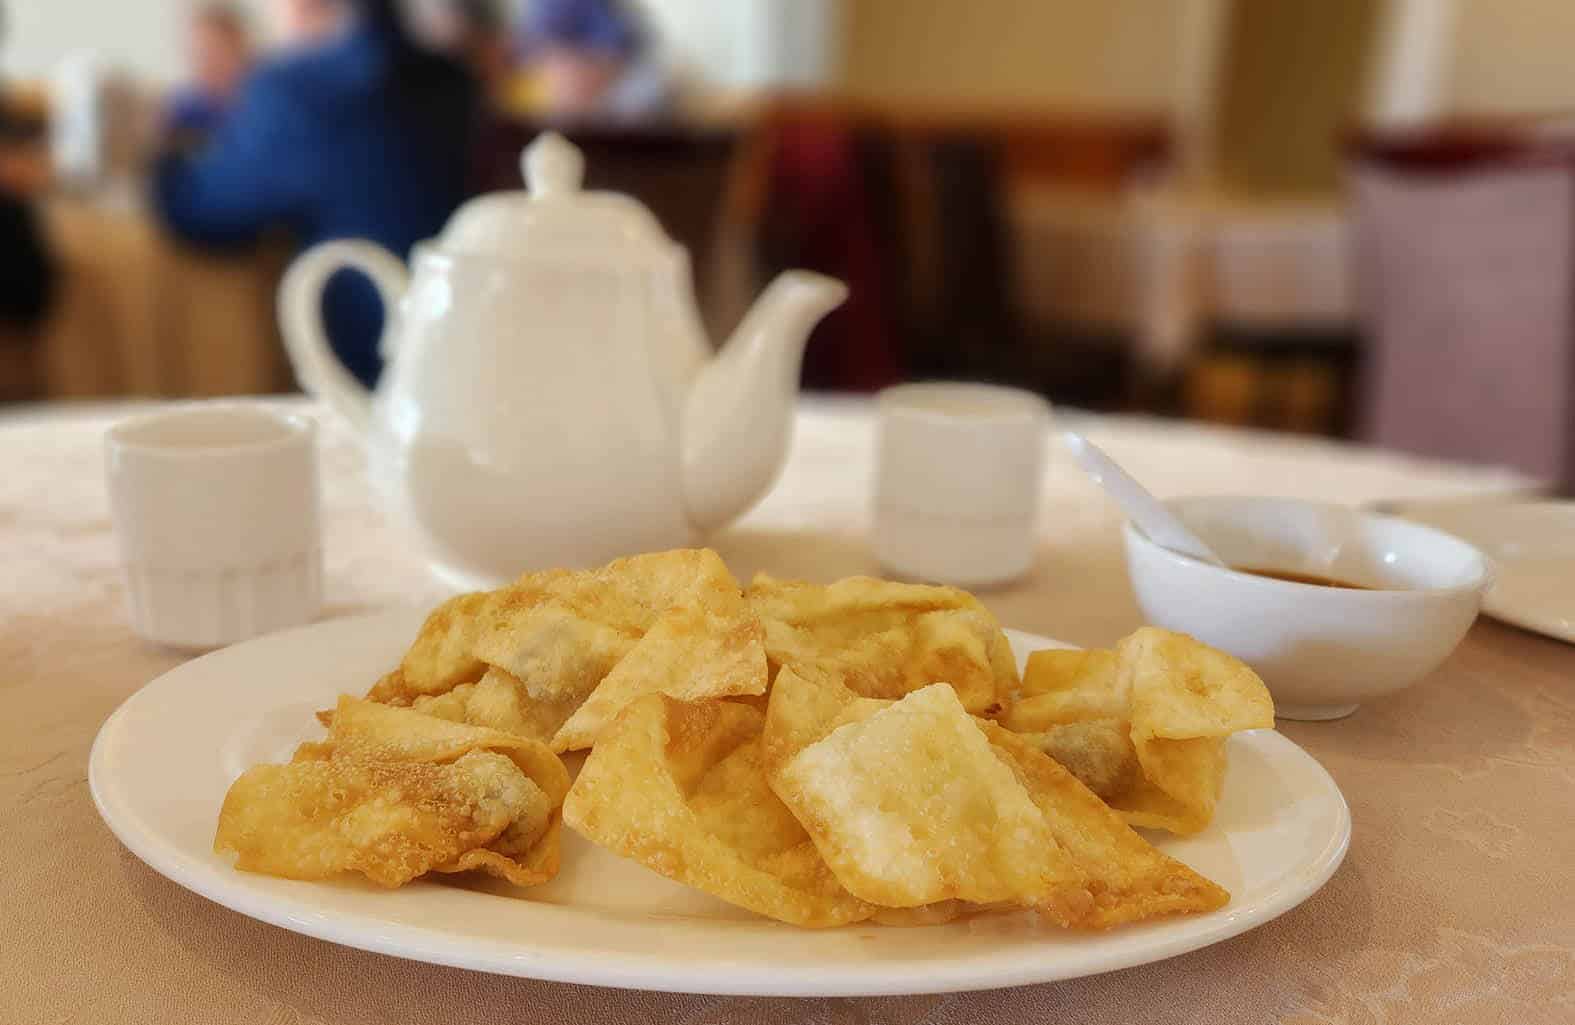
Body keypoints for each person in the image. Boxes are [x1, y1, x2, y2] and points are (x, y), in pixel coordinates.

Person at [154, 0, 478, 387]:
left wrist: (157, 158)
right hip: (461, 350)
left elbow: (204, 212)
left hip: (360, 374)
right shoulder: (455, 80)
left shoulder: (292, 91)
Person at [518, 0, 672, 121]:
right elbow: (547, 57)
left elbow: (638, 44)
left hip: (616, 87)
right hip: (577, 94)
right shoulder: (549, 8)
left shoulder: (615, 11)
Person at [163, 3, 254, 145]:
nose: (208, 63)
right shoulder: (184, 111)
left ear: (240, 47)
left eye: (216, 51)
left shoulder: (268, 102)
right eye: (200, 54)